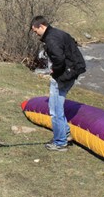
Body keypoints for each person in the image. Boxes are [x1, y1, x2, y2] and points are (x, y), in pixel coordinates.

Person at [30, 16, 86, 152]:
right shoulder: (58, 33)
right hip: (73, 71)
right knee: (57, 107)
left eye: (35, 30)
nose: (35, 33)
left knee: (55, 110)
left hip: (64, 75)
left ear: (42, 26)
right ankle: (65, 134)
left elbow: (59, 58)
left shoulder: (51, 39)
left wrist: (54, 71)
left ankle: (60, 142)